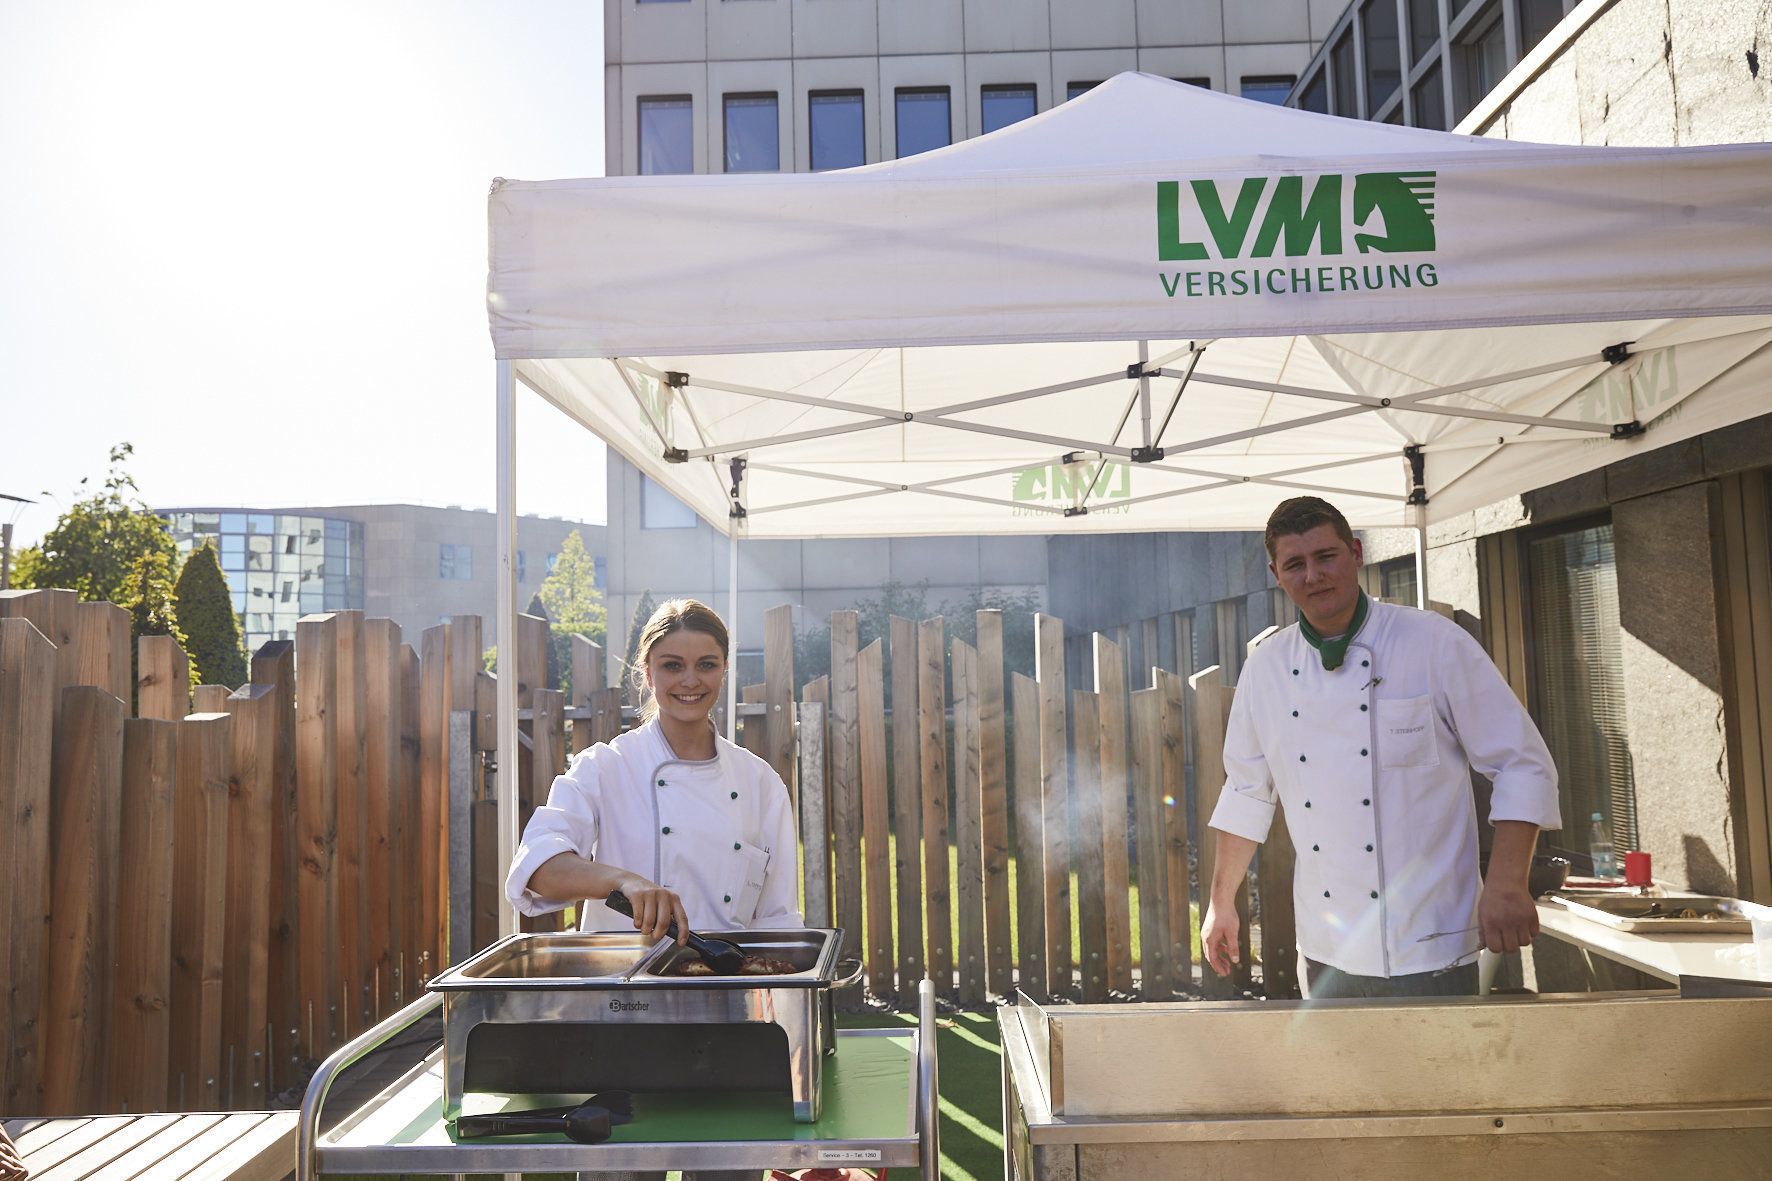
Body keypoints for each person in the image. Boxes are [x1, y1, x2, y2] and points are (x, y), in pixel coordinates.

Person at [1201, 497, 1560, 999]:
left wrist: (1506, 884)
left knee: (1437, 1079)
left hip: (1433, 942)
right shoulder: (1266, 668)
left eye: (1325, 557)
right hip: (1328, 949)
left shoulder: (1433, 642)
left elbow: (1521, 765)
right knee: (1340, 1080)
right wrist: (1222, 904)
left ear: (1356, 553)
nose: (1313, 576)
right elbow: (1245, 792)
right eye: (1295, 565)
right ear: (1276, 574)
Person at [506, 596, 802, 941]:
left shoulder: (760, 782)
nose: (690, 681)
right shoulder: (605, 767)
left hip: (727, 981)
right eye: (673, 666)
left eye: (706, 665)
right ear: (647, 673)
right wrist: (622, 881)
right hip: (625, 982)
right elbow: (538, 868)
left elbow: (777, 918)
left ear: (724, 670)